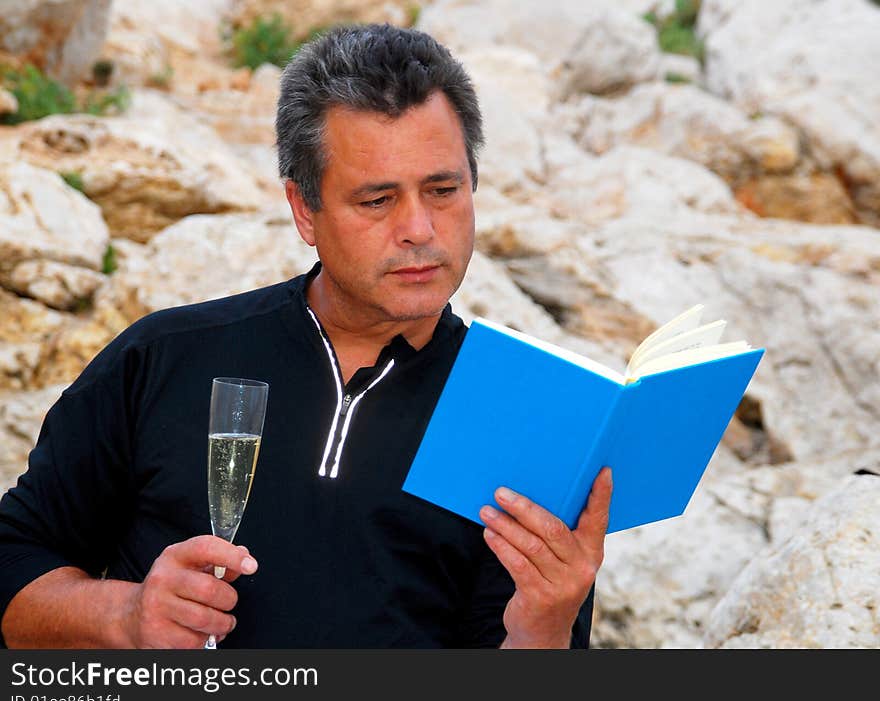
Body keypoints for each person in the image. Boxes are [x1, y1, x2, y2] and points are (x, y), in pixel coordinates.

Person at [0, 23, 611, 649]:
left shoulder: (525, 421)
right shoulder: (164, 358)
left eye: (443, 190)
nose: (420, 228)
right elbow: (14, 565)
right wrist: (124, 617)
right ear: (303, 209)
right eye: (377, 200)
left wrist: (546, 622)